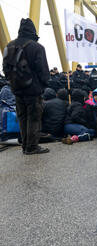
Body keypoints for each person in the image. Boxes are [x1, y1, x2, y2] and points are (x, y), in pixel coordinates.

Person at [2, 18, 50, 154]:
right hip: (33, 90)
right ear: (33, 31)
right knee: (34, 117)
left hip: (16, 89)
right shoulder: (37, 47)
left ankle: (25, 145)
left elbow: (5, 68)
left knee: (22, 117)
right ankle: (32, 146)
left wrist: (12, 82)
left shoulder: (9, 46)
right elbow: (43, 70)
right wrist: (43, 85)